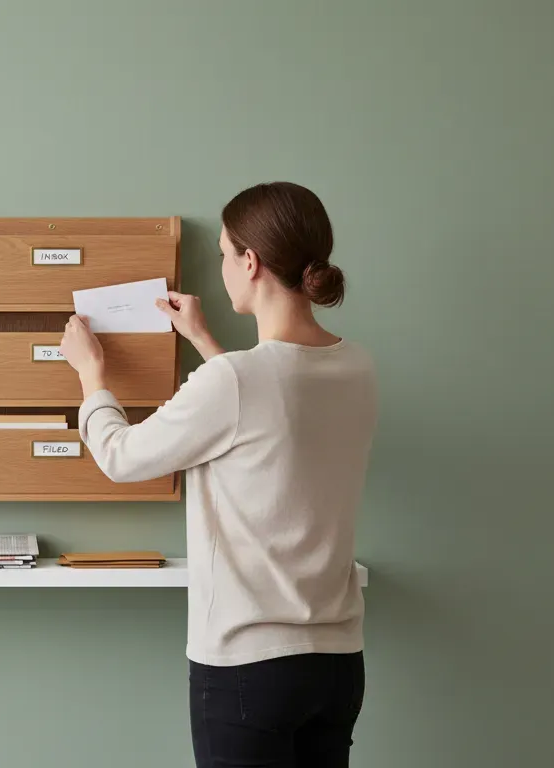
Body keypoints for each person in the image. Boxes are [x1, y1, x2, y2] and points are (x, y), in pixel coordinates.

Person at [58, 182, 378, 768]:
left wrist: (90, 374)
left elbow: (121, 456)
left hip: (247, 670)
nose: (223, 267)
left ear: (250, 263)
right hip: (337, 665)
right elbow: (267, 422)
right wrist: (207, 344)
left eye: (226, 254)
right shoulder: (356, 367)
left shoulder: (236, 382)